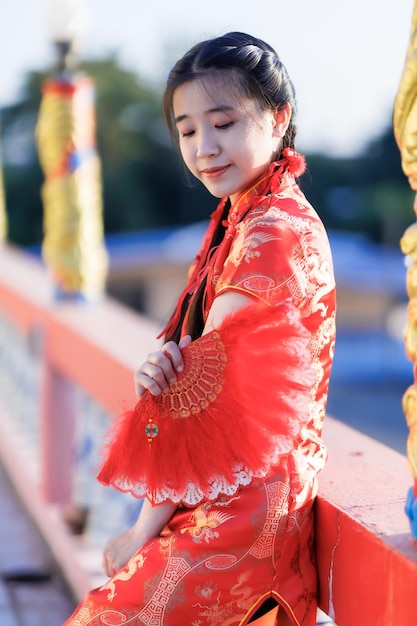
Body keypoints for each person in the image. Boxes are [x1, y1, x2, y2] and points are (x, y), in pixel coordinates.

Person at [63, 31, 336, 626]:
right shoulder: (246, 216)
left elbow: (203, 401)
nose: (204, 147)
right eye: (187, 131)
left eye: (223, 123)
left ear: (278, 117)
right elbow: (195, 373)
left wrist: (137, 533)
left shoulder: (270, 231)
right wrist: (160, 371)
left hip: (237, 517)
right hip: (237, 499)